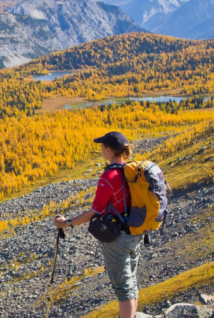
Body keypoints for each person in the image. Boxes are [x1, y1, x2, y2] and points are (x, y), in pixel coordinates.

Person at [53, 131, 143, 318]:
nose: (101, 149)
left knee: (122, 286)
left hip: (118, 238)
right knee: (130, 281)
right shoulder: (131, 171)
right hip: (136, 232)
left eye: (102, 147)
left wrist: (67, 223)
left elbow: (95, 211)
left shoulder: (109, 177)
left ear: (109, 151)